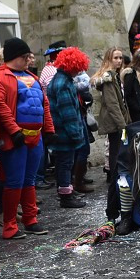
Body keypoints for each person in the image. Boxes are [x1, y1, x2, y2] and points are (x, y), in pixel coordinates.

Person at [0, 38, 54, 239]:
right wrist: (14, 131)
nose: (29, 59)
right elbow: (0, 106)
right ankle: (9, 225)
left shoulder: (31, 77)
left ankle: (30, 219)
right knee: (15, 181)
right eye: (25, 56)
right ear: (15, 57)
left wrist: (49, 129)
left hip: (35, 138)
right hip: (14, 140)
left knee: (30, 180)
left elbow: (44, 104)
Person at [45, 47, 91, 210]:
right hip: (64, 133)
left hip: (61, 131)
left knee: (63, 164)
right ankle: (66, 196)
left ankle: (67, 191)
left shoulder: (61, 79)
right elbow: (68, 113)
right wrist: (77, 135)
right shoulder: (63, 83)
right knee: (65, 164)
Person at [91, 47, 131, 223]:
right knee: (116, 170)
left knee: (119, 169)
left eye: (120, 58)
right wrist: (124, 127)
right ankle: (112, 213)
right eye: (115, 57)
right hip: (116, 129)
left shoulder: (113, 76)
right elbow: (113, 104)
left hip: (119, 127)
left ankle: (115, 211)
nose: (119, 61)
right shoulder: (108, 77)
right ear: (109, 59)